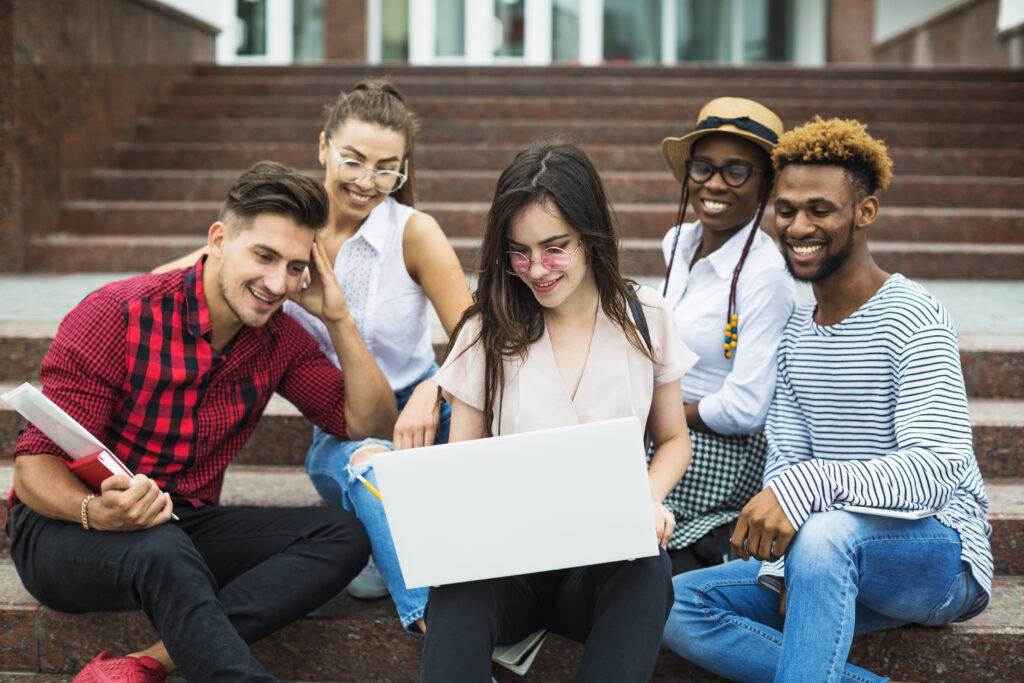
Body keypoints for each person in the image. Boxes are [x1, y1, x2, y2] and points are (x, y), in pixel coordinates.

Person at [7, 161, 398, 682]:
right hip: (67, 528)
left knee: (343, 534)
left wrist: (338, 318)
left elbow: (365, 422)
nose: (277, 282)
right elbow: (33, 469)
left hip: (176, 524)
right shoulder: (118, 315)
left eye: (295, 266)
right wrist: (96, 512)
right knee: (163, 548)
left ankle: (147, 663)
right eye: (263, 256)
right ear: (218, 239)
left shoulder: (278, 340)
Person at [663, 117, 993, 682]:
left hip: (940, 558)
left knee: (825, 532)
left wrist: (808, 495)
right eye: (786, 209)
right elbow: (788, 457)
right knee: (673, 604)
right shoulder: (794, 332)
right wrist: (788, 561)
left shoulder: (913, 316)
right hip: (824, 556)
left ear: (864, 212)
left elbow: (936, 470)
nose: (798, 225)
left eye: (820, 209)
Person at [155, 80, 473, 633]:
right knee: (368, 461)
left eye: (386, 168)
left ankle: (390, 543)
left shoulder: (414, 233)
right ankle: (437, 624)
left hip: (430, 416)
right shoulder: (288, 229)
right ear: (324, 147)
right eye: (353, 160)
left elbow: (478, 334)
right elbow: (168, 281)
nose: (366, 182)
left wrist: (434, 387)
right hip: (344, 424)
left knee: (414, 459)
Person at [420, 139, 698, 682]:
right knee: (455, 589)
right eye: (519, 252)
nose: (536, 269)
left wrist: (647, 499)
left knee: (648, 570)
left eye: (555, 248)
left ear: (591, 234)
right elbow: (465, 463)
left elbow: (673, 438)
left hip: (601, 566)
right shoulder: (486, 330)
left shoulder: (646, 317)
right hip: (510, 568)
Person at [658, 97, 796, 574]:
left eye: (737, 172)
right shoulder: (678, 244)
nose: (714, 184)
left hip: (716, 449)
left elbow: (746, 407)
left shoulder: (766, 278)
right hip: (659, 428)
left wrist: (664, 415)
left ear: (766, 185)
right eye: (703, 168)